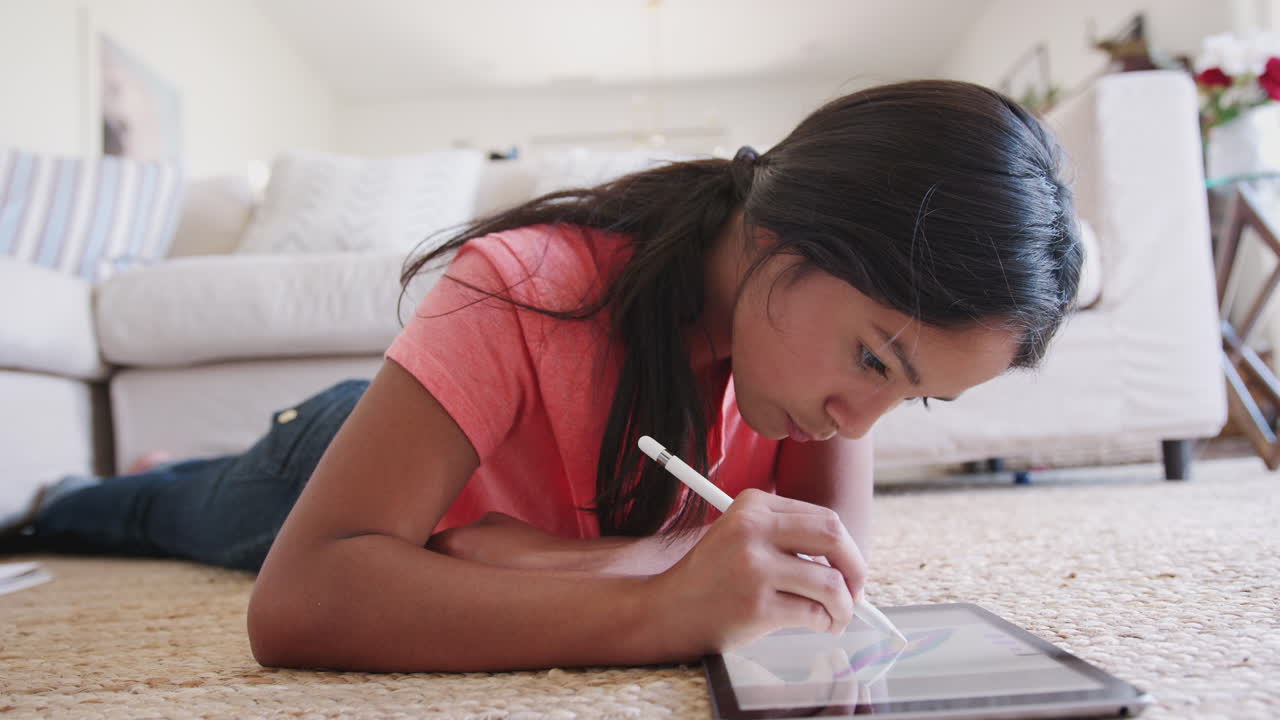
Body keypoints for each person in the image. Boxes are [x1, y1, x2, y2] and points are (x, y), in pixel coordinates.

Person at [1, 80, 1081, 672]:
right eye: (872, 359)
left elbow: (810, 591)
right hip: (328, 460)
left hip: (462, 519)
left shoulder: (824, 379)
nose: (859, 421)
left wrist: (540, 562)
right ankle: (96, 487)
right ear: (781, 240)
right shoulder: (525, 288)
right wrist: (653, 603)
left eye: (911, 394)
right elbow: (299, 603)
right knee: (156, 511)